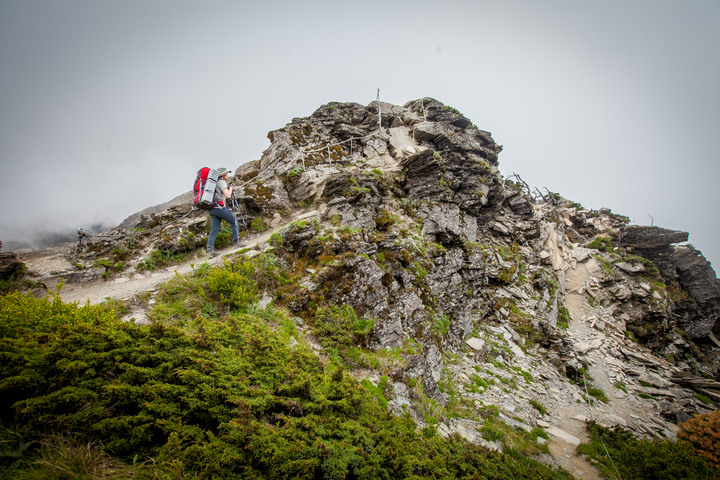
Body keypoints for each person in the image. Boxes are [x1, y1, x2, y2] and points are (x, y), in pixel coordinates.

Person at [206, 168, 241, 258]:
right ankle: (236, 242)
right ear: (222, 175)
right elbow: (228, 195)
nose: (227, 175)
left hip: (212, 209)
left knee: (214, 230)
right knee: (234, 221)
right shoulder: (221, 182)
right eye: (226, 173)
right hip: (220, 208)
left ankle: (210, 251)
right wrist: (231, 189)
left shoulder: (213, 184)